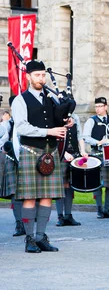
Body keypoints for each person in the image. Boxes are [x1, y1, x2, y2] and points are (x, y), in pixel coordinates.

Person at [12, 60, 75, 253]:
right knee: (30, 197)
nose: (41, 78)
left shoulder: (50, 98)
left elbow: (58, 120)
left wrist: (67, 122)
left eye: (42, 75)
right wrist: (48, 132)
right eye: (37, 75)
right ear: (28, 77)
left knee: (47, 196)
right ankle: (30, 239)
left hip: (50, 152)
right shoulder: (20, 100)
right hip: (31, 152)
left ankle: (41, 237)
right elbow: (21, 127)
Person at [83, 96, 109, 219]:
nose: (97, 109)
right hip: (97, 154)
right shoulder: (91, 121)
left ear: (106, 107)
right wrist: (99, 142)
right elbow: (86, 137)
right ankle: (99, 209)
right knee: (97, 183)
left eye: (100, 106)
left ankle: (107, 208)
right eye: (96, 106)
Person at [55, 112, 88, 227]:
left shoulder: (75, 117)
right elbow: (54, 138)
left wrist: (82, 150)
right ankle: (60, 216)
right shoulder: (56, 115)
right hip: (60, 155)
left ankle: (68, 215)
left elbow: (79, 136)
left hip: (74, 155)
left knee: (70, 185)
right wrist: (64, 153)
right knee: (61, 185)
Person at [0, 105, 25, 237]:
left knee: (33, 192)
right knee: (15, 193)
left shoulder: (29, 121)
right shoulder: (7, 124)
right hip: (12, 160)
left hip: (29, 158)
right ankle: (19, 224)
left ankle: (31, 220)